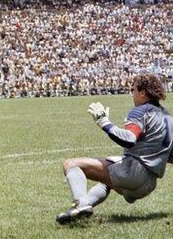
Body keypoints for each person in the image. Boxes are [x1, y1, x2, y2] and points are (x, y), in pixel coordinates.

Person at [56, 74, 173, 225]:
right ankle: (81, 210)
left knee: (71, 164)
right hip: (149, 184)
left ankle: (82, 204)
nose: (132, 94)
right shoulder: (168, 117)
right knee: (105, 180)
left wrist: (104, 122)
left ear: (143, 92)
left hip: (133, 173)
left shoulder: (140, 111)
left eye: (134, 90)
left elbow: (129, 139)